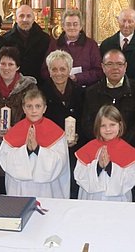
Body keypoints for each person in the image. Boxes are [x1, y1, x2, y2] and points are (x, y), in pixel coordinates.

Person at [0, 47, 37, 194]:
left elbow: (34, 116)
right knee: (2, 190)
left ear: (17, 66)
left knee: (22, 189)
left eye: (11, 64)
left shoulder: (29, 88)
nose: (6, 68)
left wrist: (16, 132)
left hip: (22, 145)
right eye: (3, 64)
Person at [0, 89, 70, 198]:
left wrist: (37, 149)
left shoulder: (56, 132)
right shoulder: (14, 132)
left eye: (38, 106)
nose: (33, 110)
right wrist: (26, 150)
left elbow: (60, 163)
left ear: (44, 108)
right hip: (20, 189)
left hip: (47, 190)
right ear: (23, 108)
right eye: (29, 106)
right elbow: (5, 160)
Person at [82, 49, 135, 150]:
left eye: (119, 64)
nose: (115, 68)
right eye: (109, 64)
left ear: (125, 66)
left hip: (130, 148)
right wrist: (101, 141)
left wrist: (122, 143)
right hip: (99, 148)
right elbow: (86, 123)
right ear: (103, 67)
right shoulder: (91, 92)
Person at [40, 50, 85, 199]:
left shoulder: (81, 92)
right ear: (49, 71)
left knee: (73, 185)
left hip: (75, 147)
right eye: (54, 69)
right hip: (50, 149)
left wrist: (78, 135)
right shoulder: (41, 92)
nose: (58, 73)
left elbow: (86, 119)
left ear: (69, 69)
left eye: (62, 69)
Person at [75, 105, 135, 201]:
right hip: (91, 201)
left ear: (120, 125)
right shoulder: (88, 148)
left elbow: (130, 180)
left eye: (112, 125)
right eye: (103, 126)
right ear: (97, 127)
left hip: (118, 202)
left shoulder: (128, 151)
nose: (108, 129)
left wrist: (109, 167)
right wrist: (98, 166)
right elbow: (80, 176)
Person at [41, 9, 103, 87]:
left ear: (80, 26)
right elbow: (44, 70)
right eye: (68, 24)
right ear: (63, 26)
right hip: (58, 89)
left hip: (85, 90)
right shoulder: (54, 45)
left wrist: (77, 77)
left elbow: (99, 71)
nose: (72, 27)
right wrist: (58, 76)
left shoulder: (91, 45)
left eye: (75, 24)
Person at [100, 8, 135, 87]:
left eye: (130, 21)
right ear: (118, 21)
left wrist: (127, 84)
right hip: (111, 88)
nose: (126, 25)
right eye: (123, 21)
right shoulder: (106, 44)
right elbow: (103, 69)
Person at [3, 5, 51, 85]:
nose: (25, 19)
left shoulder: (45, 39)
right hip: (13, 85)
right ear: (16, 18)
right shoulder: (6, 39)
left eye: (28, 16)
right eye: (21, 16)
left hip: (38, 85)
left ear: (33, 18)